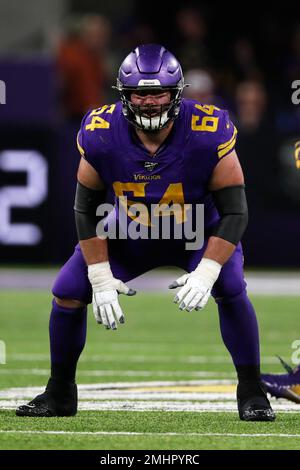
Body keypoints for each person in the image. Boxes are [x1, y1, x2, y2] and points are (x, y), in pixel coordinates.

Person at [16, 44, 275, 421]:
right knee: (68, 290)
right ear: (124, 94)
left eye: (158, 92)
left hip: (195, 229)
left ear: (176, 93)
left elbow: (235, 210)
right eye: (141, 92)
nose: (150, 101)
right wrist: (100, 274)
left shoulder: (208, 129)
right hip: (132, 231)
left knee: (230, 284)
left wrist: (207, 270)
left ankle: (252, 391)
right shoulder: (101, 131)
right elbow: (85, 208)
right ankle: (59, 393)